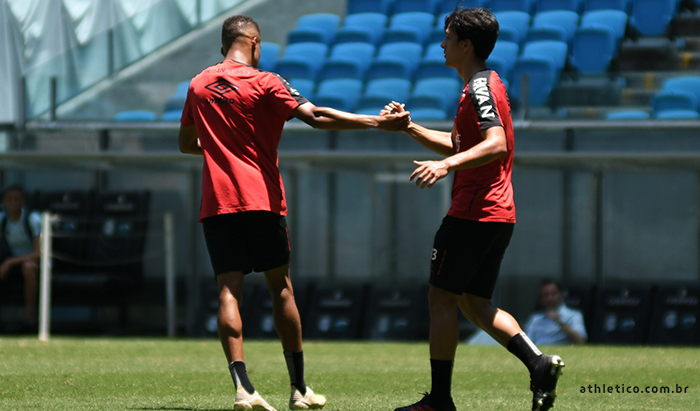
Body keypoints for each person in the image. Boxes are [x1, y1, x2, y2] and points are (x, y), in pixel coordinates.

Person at [178, 15, 410, 411]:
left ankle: (243, 388)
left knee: (229, 291)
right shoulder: (267, 81)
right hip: (261, 200)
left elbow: (186, 143)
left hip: (217, 203)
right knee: (280, 289)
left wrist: (220, 149)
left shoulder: (198, 84)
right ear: (254, 42)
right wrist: (376, 121)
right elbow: (315, 116)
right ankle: (299, 389)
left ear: (224, 45)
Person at [383, 7, 565, 411]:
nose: (442, 44)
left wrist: (446, 166)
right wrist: (409, 127)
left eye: (448, 38)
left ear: (466, 45)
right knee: (474, 303)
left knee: (441, 299)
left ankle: (440, 401)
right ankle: (538, 364)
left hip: (473, 213)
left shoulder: (481, 87)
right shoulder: (482, 86)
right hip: (497, 214)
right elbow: (462, 145)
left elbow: (496, 144)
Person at [0, 185, 41, 331]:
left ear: (23, 201)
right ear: (4, 202)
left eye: (17, 199)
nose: (13, 203)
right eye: (9, 199)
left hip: (36, 264)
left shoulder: (33, 219)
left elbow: (39, 252)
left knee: (28, 267)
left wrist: (9, 262)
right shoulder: (2, 220)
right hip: (12, 263)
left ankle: (29, 319)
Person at [524, 279, 587, 345]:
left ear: (561, 295)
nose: (550, 298)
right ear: (541, 298)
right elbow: (527, 343)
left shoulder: (574, 315)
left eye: (553, 294)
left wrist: (559, 321)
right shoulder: (535, 319)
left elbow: (580, 341)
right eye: (546, 295)